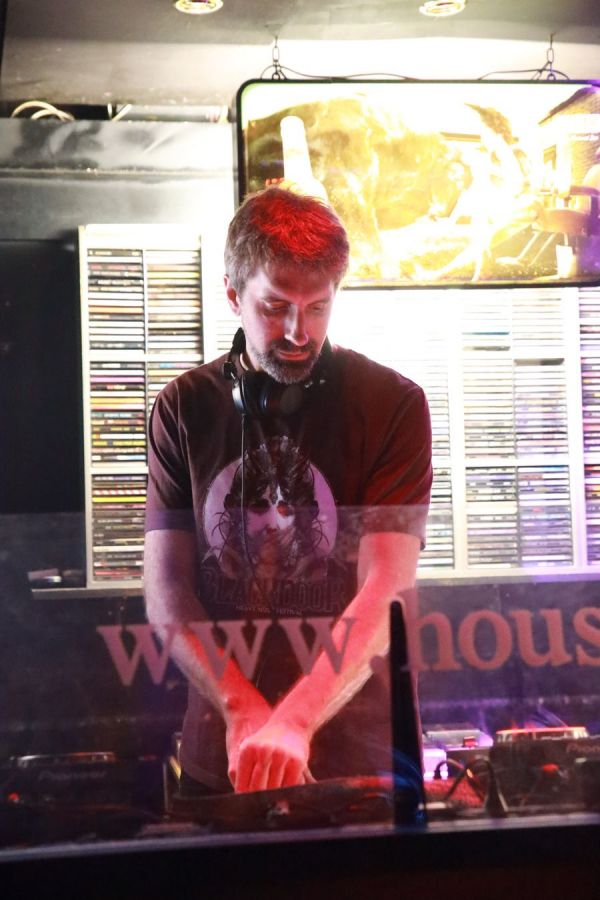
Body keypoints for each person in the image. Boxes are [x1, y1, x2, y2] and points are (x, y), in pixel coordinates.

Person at [144, 186, 432, 796]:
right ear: (233, 295)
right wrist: (242, 711)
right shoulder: (182, 408)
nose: (300, 332)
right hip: (227, 752)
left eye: (318, 308)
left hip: (360, 758)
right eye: (275, 307)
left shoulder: (393, 405)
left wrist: (294, 723)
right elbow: (165, 588)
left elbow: (387, 587)